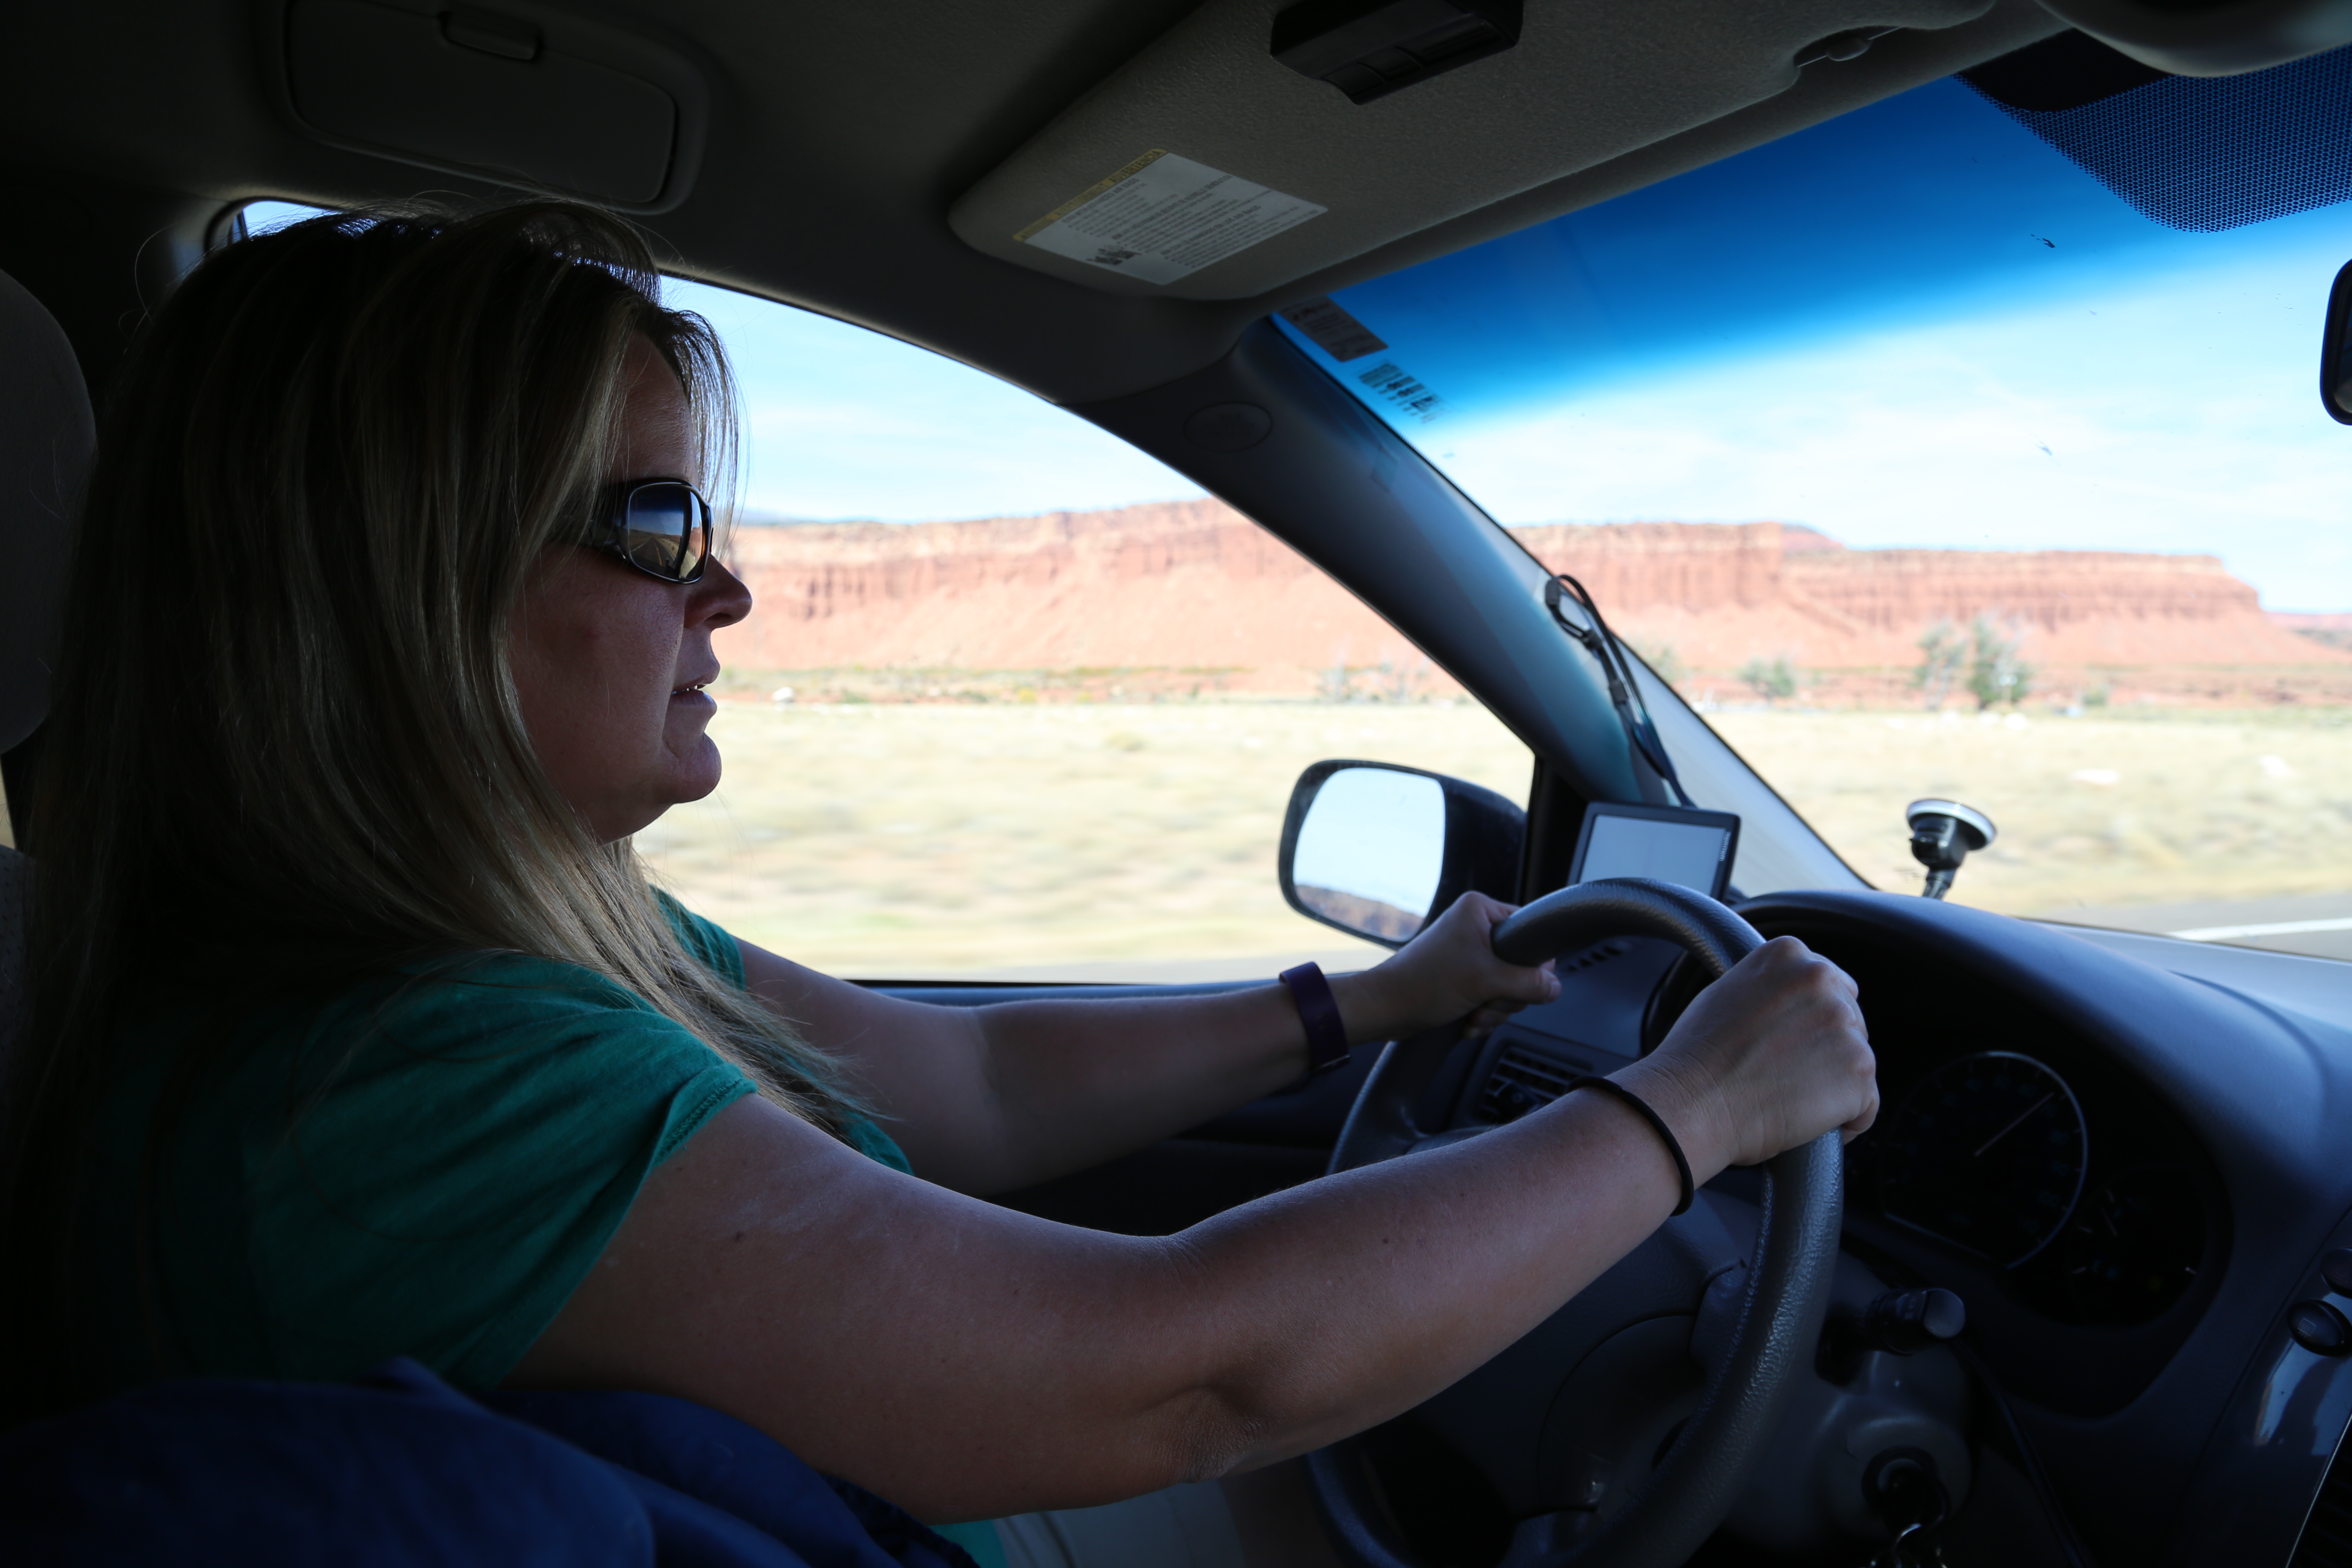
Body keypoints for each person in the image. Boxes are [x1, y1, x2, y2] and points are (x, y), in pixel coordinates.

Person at [0, 202, 1876, 1565]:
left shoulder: (498, 937)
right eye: (661, 525)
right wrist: (1695, 1106)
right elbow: (1192, 1380)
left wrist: (1367, 1003)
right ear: (403, 593)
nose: (725, 592)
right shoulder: (411, 1082)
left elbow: (959, 1084)